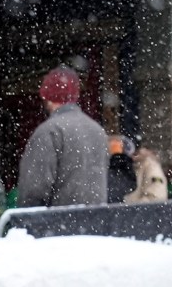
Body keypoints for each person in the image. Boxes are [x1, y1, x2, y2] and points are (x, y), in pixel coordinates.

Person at [18, 67, 109, 208]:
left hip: (57, 224)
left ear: (46, 97)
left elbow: (34, 189)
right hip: (95, 223)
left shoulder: (48, 132)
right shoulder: (98, 131)